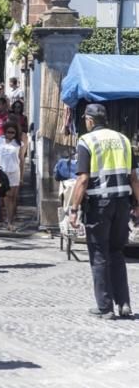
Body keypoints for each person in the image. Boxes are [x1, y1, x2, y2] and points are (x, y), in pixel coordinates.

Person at [69, 103, 139, 319]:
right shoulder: (123, 140)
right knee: (117, 252)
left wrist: (73, 209)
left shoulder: (86, 141)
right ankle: (124, 304)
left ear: (90, 120)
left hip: (99, 205)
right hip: (122, 204)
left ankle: (105, 306)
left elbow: (82, 179)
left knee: (99, 253)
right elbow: (134, 177)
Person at [0, 121, 24, 230]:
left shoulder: (19, 143)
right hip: (0, 172)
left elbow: (21, 160)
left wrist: (21, 177)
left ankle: (10, 222)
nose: (10, 134)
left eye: (13, 132)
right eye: (8, 132)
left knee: (10, 198)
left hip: (13, 172)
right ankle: (0, 219)